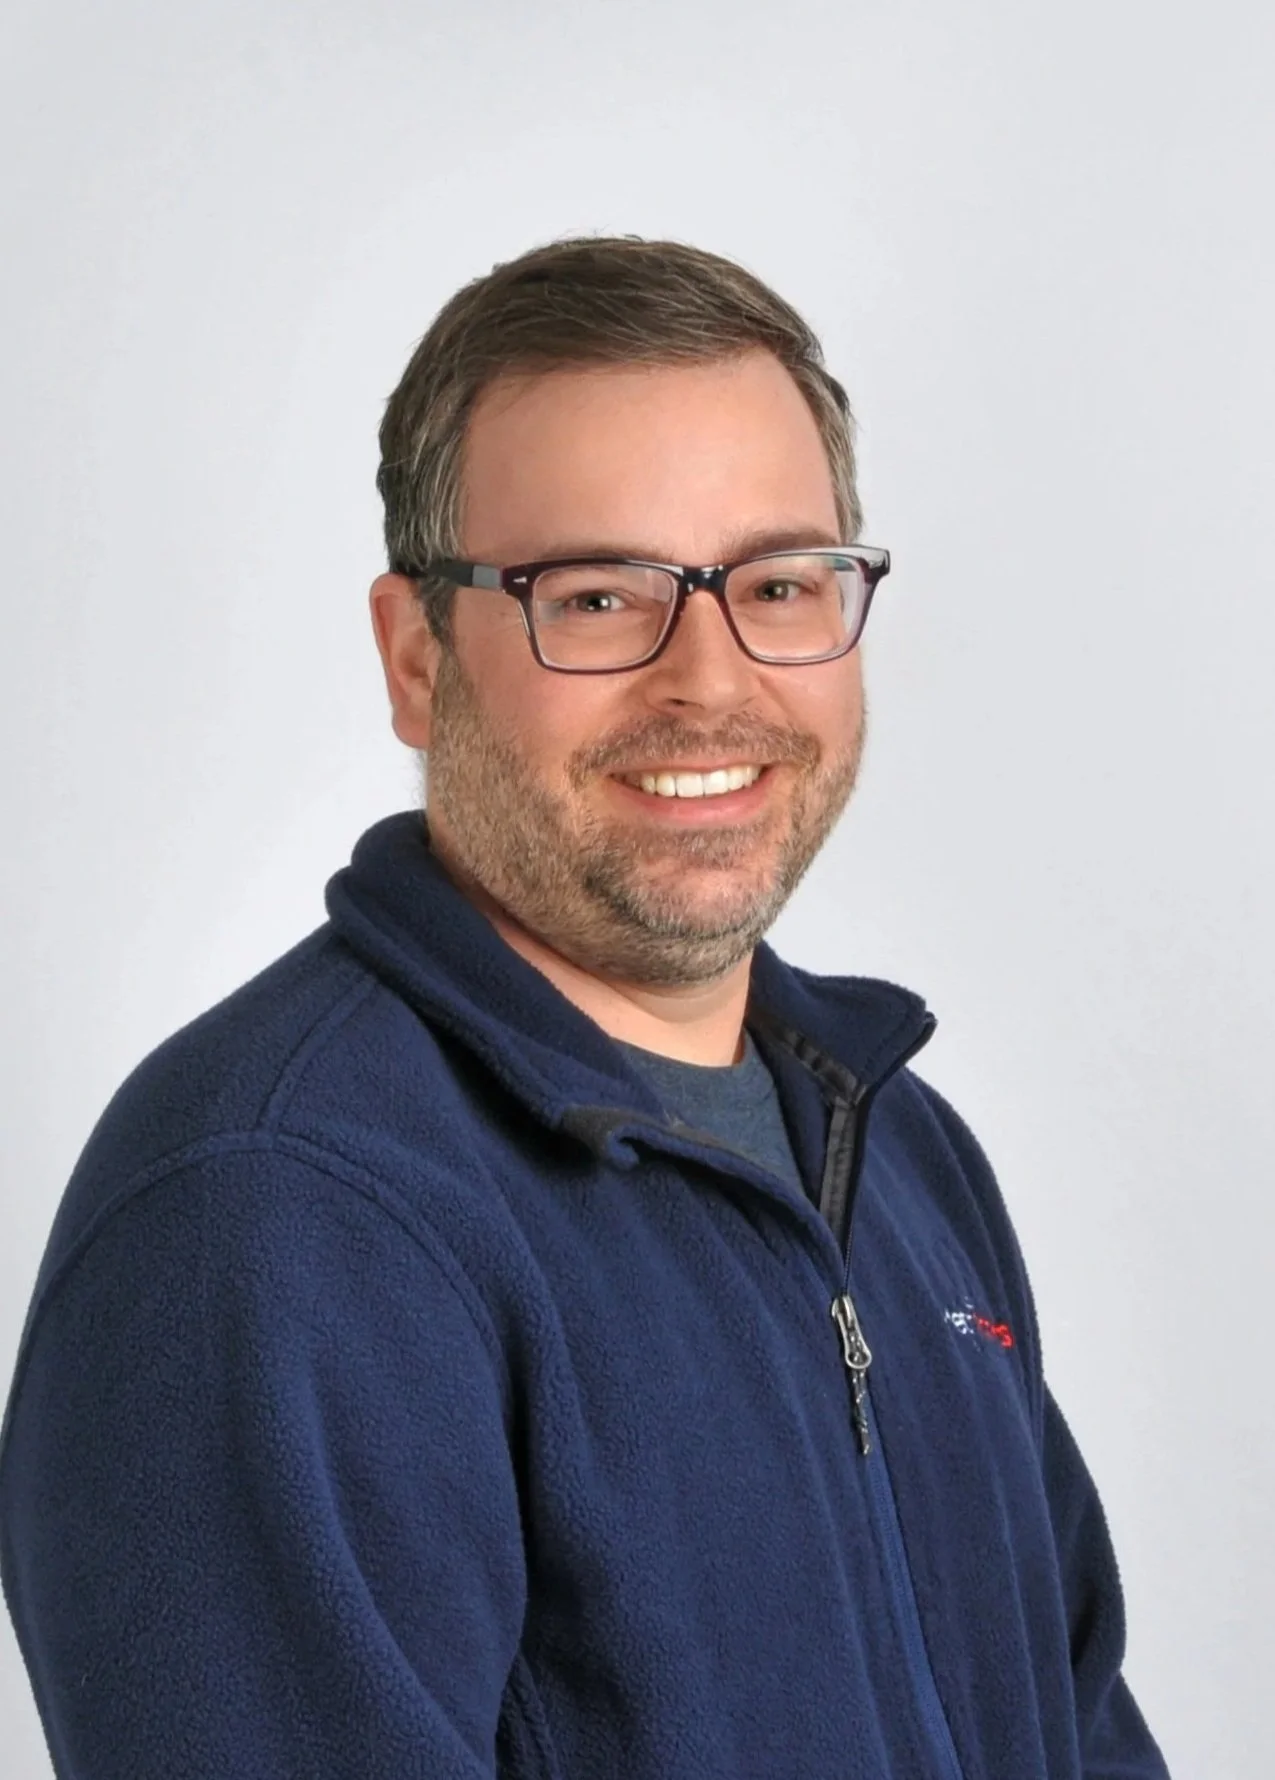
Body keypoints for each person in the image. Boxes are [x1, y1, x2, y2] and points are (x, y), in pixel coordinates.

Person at [0, 235, 1169, 1779]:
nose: (708, 681)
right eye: (599, 596)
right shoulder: (274, 1216)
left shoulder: (898, 1156)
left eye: (777, 583)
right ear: (419, 659)